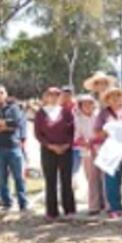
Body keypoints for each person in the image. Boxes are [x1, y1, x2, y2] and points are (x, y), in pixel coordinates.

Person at [0, 85, 29, 211]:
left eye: (1, 92)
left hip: (13, 146)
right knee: (1, 178)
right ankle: (7, 203)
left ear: (6, 94)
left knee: (19, 177)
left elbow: (16, 123)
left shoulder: (14, 108)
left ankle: (23, 203)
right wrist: (6, 125)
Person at [34, 86, 76, 219]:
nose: (53, 97)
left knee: (66, 180)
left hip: (65, 149)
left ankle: (69, 209)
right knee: (50, 180)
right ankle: (51, 211)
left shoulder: (66, 112)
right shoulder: (40, 113)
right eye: (50, 94)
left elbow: (73, 130)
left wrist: (66, 144)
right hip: (48, 150)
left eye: (57, 95)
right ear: (45, 97)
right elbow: (38, 133)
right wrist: (50, 146)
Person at [93, 87, 122, 219]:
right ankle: (115, 208)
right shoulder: (103, 114)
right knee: (112, 180)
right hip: (110, 150)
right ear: (108, 100)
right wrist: (107, 131)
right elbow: (96, 132)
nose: (116, 99)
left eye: (118, 96)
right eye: (113, 97)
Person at [73, 94, 104, 214]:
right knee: (91, 178)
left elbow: (104, 131)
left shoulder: (99, 116)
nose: (88, 106)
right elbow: (76, 135)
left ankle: (107, 204)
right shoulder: (77, 119)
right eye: (85, 104)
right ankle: (94, 206)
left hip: (101, 149)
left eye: (90, 103)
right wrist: (85, 142)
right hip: (87, 151)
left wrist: (96, 140)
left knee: (104, 177)